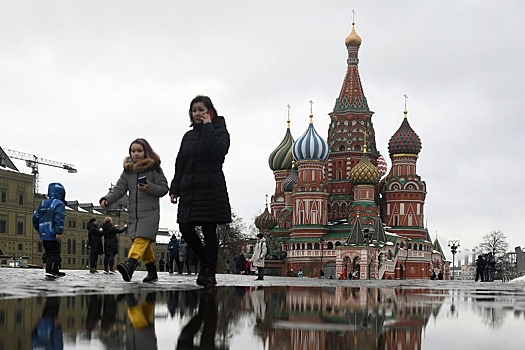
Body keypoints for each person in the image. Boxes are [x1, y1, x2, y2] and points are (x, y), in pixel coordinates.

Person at [169, 95, 232, 287]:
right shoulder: (187, 136)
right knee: (185, 228)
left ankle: (209, 271)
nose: (197, 113)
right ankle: (206, 261)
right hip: (189, 188)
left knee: (209, 230)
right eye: (194, 110)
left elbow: (219, 150)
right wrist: (175, 188)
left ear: (210, 112)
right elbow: (180, 162)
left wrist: (207, 127)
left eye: (201, 110)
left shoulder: (220, 131)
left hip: (210, 188)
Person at [100, 138, 169, 283]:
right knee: (145, 243)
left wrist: (148, 187)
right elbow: (119, 189)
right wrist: (107, 199)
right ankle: (152, 272)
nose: (136, 154)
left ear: (146, 152)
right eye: (133, 151)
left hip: (150, 213)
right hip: (134, 214)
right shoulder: (128, 171)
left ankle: (130, 266)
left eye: (139, 150)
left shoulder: (154, 169)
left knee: (141, 239)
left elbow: (164, 188)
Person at [32, 183, 67, 279]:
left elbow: (35, 217)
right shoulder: (59, 204)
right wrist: (58, 232)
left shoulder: (43, 203)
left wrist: (38, 228)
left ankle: (55, 270)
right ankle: (51, 271)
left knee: (48, 252)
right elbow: (59, 219)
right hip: (52, 232)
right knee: (54, 253)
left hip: (43, 232)